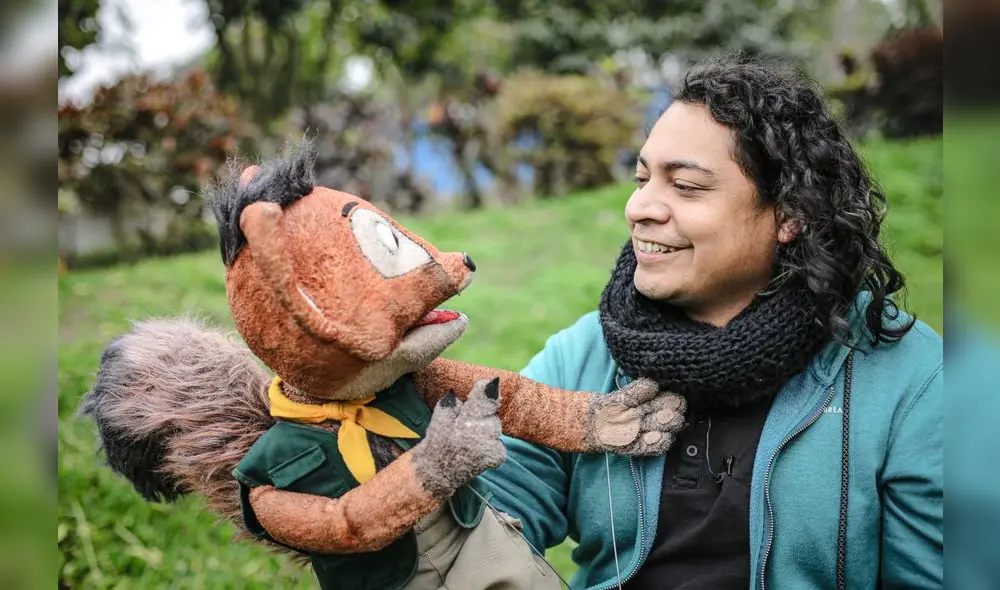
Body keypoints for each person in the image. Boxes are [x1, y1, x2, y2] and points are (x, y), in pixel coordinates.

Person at [480, 52, 943, 590]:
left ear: (790, 215)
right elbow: (485, 531)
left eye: (687, 186)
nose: (639, 207)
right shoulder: (583, 356)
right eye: (642, 178)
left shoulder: (908, 379)